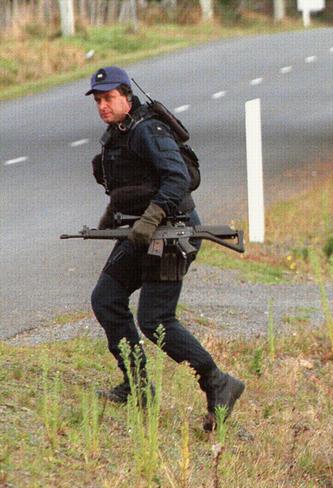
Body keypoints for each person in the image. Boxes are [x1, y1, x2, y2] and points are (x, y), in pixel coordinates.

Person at [85, 66, 243, 431]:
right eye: (98, 100)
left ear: (126, 95)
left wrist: (152, 216)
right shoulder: (117, 134)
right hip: (142, 234)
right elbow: (127, 185)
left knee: (155, 319)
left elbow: (178, 178)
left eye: (108, 99)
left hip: (172, 234)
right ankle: (137, 386)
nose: (102, 107)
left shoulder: (147, 131)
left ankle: (219, 383)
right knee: (106, 298)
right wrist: (111, 218)